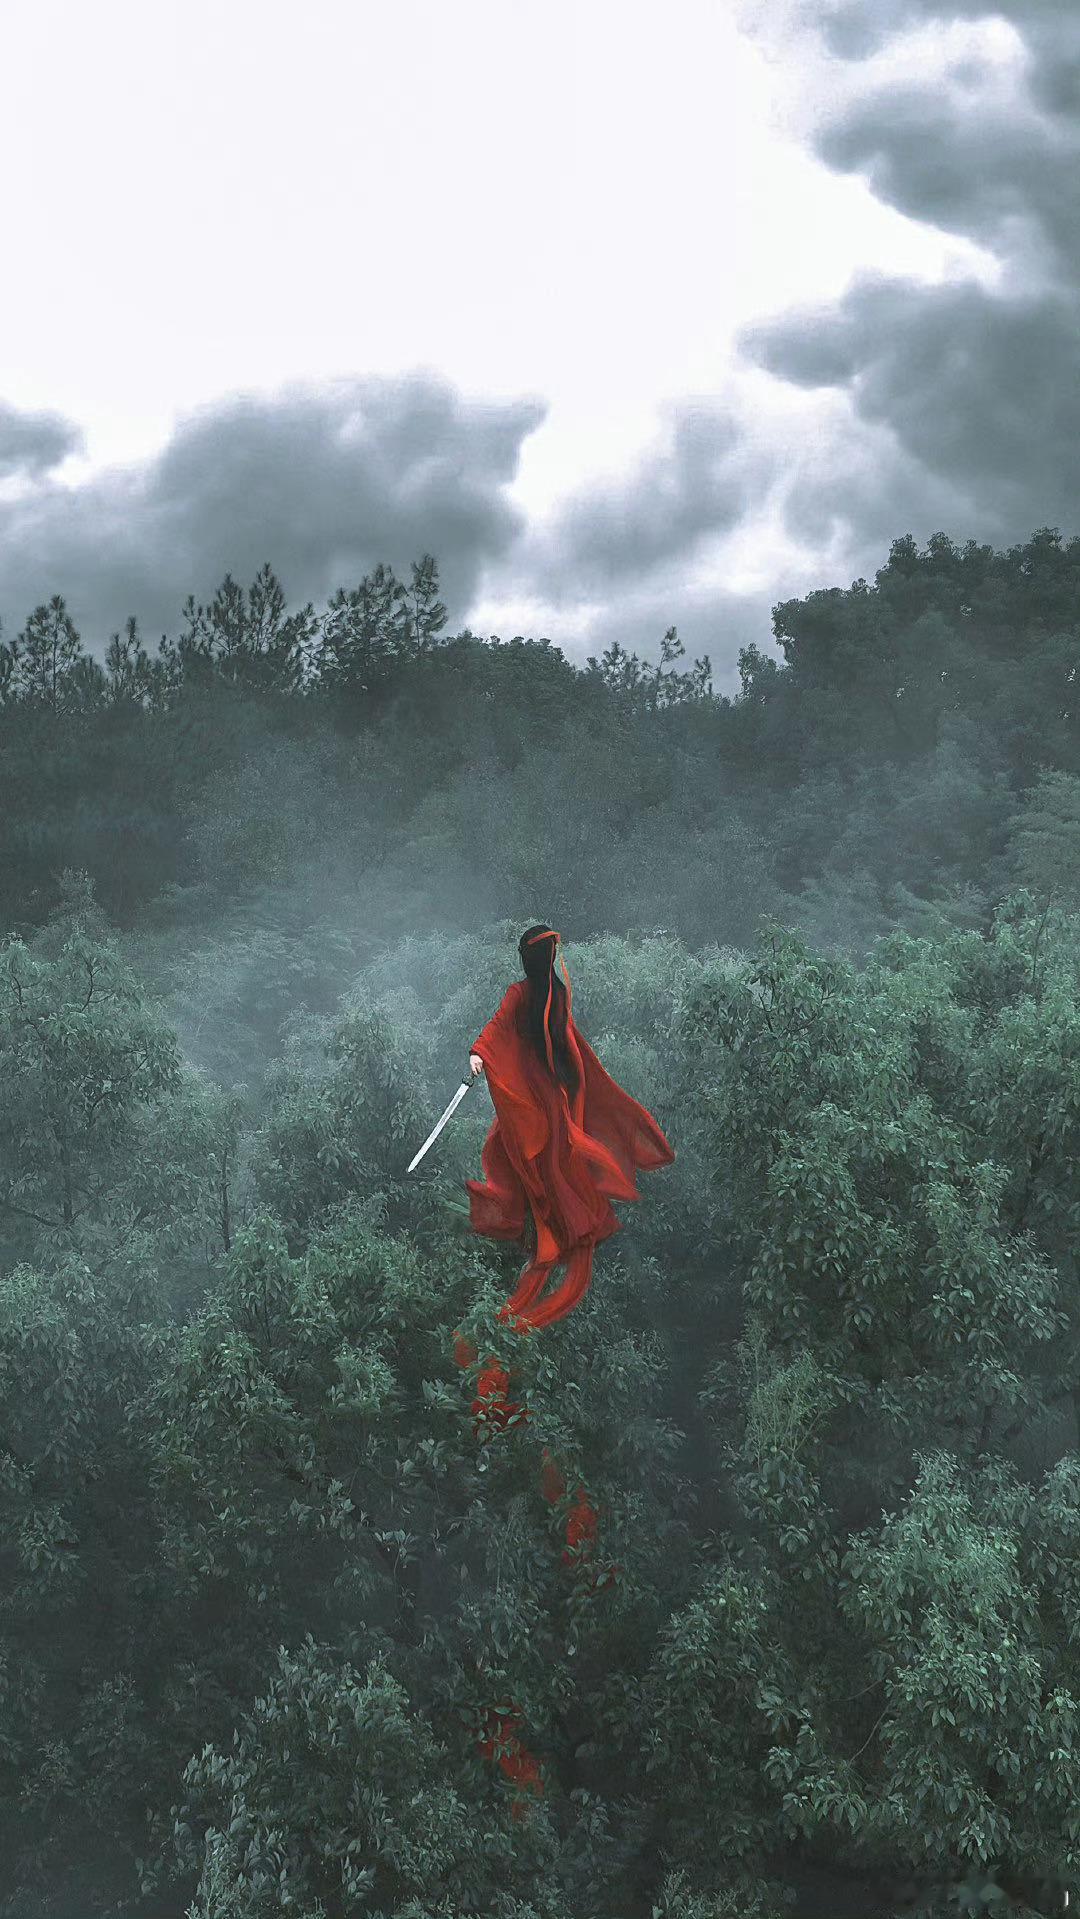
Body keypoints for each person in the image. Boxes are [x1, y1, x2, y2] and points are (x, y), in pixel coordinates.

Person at [464, 925, 675, 1331]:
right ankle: (541, 1222)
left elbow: (564, 1040)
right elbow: (497, 1026)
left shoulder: (550, 994)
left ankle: (550, 1224)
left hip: (555, 1091)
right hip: (538, 1090)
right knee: (529, 1150)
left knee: (551, 1155)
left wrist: (569, 1088)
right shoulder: (523, 994)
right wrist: (479, 1052)